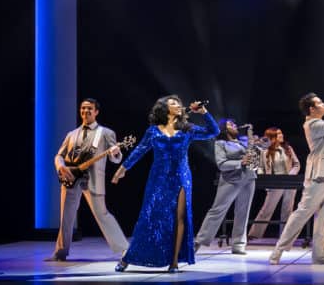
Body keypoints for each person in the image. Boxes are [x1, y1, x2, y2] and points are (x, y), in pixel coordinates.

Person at [111, 96, 218, 272]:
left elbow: (212, 131)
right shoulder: (153, 131)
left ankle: (174, 261)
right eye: (173, 103)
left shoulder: (187, 129)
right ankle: (128, 257)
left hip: (181, 176)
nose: (178, 105)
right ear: (164, 108)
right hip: (159, 178)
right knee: (149, 217)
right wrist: (122, 169)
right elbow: (139, 150)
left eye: (178, 103)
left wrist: (204, 112)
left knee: (180, 217)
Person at [268, 92, 324, 265]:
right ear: (312, 109)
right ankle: (278, 250)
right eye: (320, 102)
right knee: (302, 213)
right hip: (320, 176)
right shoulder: (312, 124)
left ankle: (320, 255)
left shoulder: (322, 124)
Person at [49, 98, 129, 261]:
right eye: (83, 108)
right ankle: (60, 252)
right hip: (71, 178)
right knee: (66, 216)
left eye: (89, 109)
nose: (86, 111)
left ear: (96, 112)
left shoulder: (106, 133)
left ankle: (125, 249)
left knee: (102, 214)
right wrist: (61, 167)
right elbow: (59, 155)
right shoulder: (72, 134)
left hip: (93, 179)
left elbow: (115, 158)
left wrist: (115, 153)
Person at [193, 119, 262, 255]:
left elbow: (253, 161)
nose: (235, 126)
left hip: (248, 178)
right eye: (231, 124)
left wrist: (255, 148)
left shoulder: (242, 142)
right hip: (231, 179)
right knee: (217, 210)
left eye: (235, 124)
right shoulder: (220, 143)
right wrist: (240, 162)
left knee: (243, 212)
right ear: (224, 129)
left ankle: (238, 244)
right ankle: (199, 241)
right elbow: (221, 164)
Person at [248, 128, 301, 240]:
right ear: (272, 137)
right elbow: (261, 167)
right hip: (274, 182)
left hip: (289, 182)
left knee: (288, 209)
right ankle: (254, 234)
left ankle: (285, 235)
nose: (281, 135)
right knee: (267, 208)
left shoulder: (288, 148)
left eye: (281, 133)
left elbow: (296, 164)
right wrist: (264, 180)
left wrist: (291, 175)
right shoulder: (265, 151)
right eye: (278, 134)